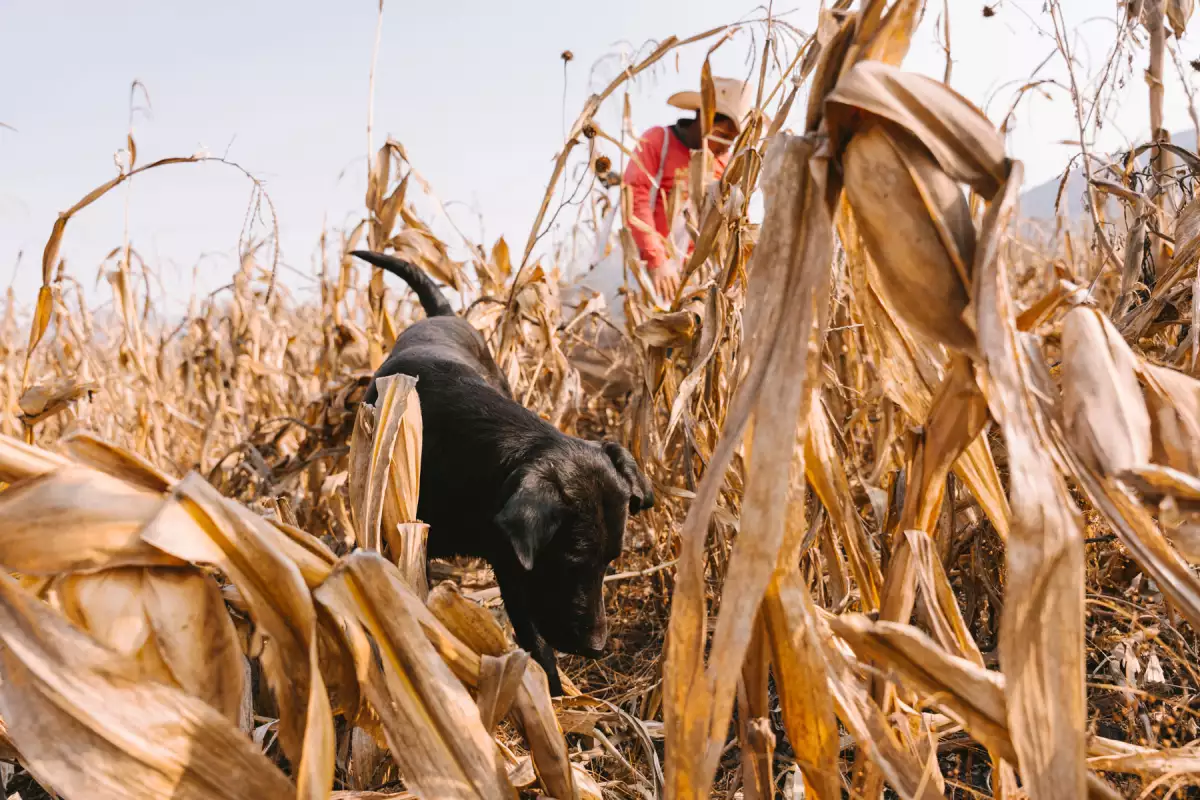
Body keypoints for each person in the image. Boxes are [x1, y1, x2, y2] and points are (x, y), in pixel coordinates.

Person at [623, 77, 761, 300]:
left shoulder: (725, 166)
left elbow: (735, 225)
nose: (727, 146)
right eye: (723, 136)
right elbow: (634, 196)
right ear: (702, 118)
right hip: (648, 271)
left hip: (693, 279)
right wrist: (656, 259)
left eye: (732, 140)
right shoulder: (658, 141)